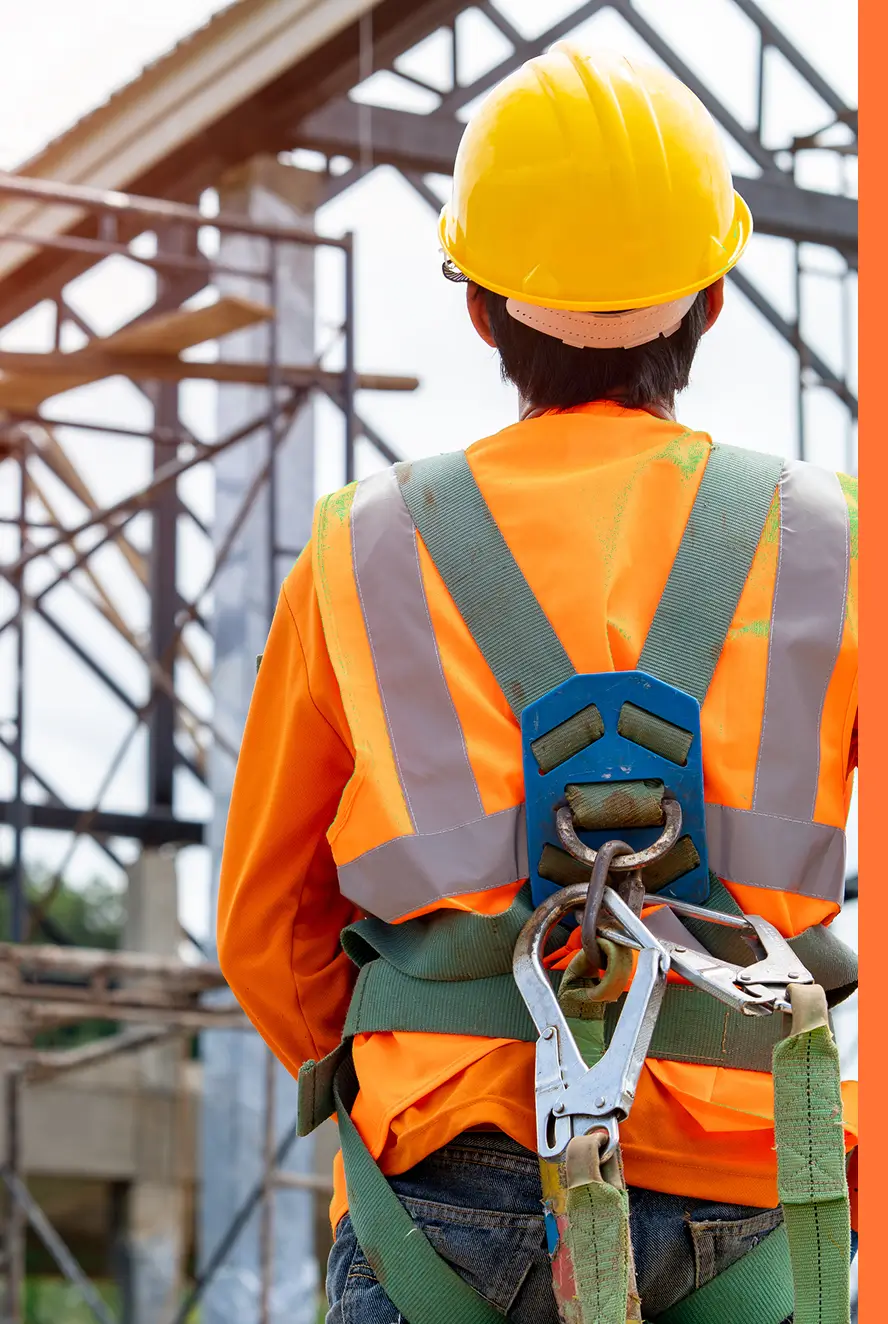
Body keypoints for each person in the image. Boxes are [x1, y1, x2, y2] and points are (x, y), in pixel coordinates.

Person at [217, 44, 858, 1323]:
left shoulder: (362, 545)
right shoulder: (841, 543)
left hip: (438, 1191)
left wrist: (425, 1048)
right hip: (752, 1195)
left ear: (479, 307)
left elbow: (265, 925)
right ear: (713, 300)